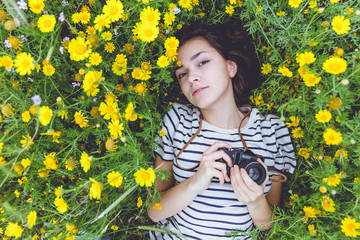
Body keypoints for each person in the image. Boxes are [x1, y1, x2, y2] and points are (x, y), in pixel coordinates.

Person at [148, 21, 296, 240]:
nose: (192, 78)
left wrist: (255, 202)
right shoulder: (177, 121)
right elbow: (154, 211)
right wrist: (195, 182)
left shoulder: (270, 131)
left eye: (202, 62)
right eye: (182, 74)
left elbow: (270, 226)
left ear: (231, 67)